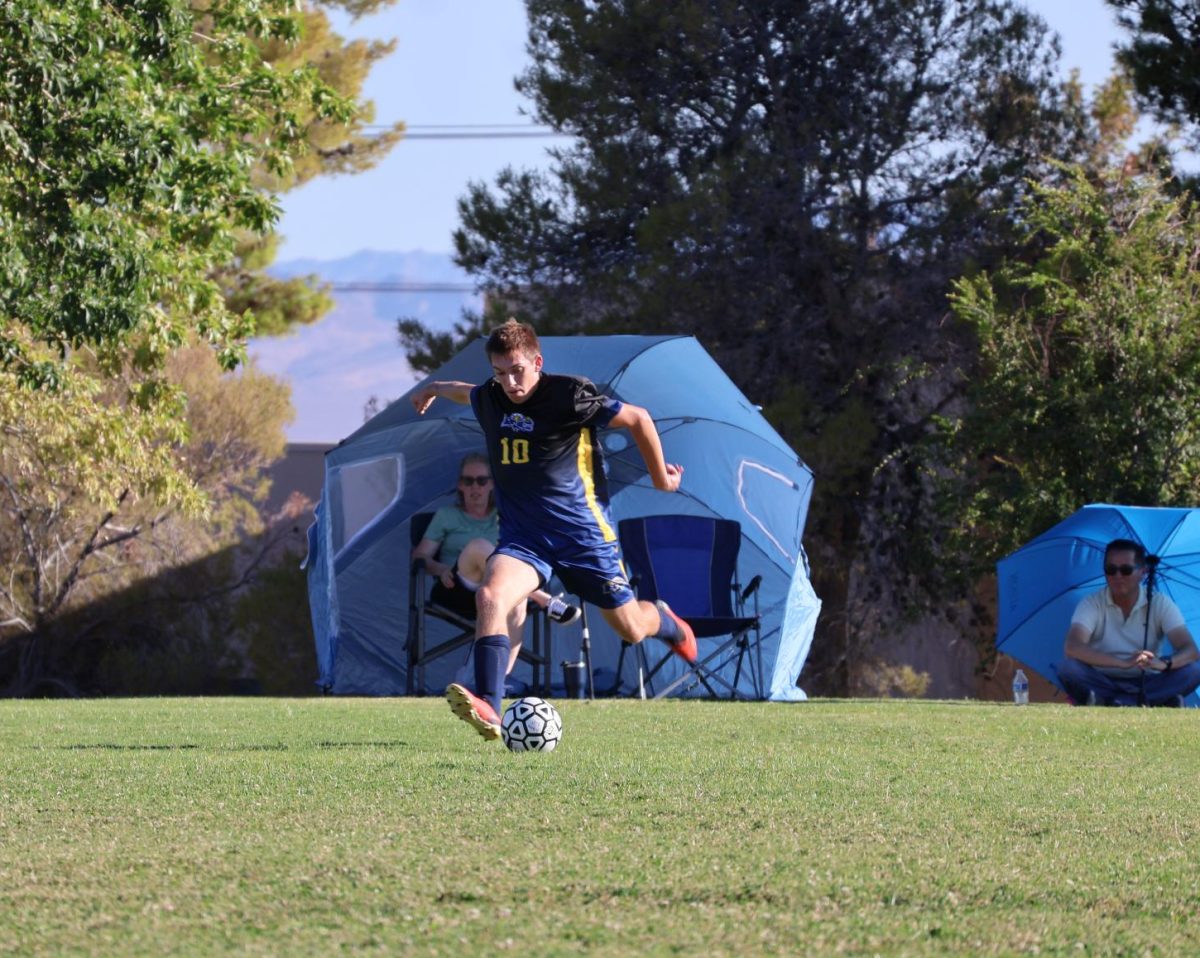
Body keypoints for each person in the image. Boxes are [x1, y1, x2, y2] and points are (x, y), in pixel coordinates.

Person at [410, 319, 697, 739]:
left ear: (537, 362)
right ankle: (490, 704)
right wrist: (434, 389)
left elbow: (639, 418)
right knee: (491, 595)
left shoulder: (568, 395)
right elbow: (466, 391)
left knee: (632, 628)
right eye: (499, 373)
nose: (509, 382)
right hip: (525, 538)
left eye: (517, 370)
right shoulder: (490, 397)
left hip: (584, 535)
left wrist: (661, 480)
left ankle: (667, 621)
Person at [411, 452, 582, 635]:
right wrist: (441, 569)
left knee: (516, 590)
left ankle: (502, 664)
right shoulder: (447, 515)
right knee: (478, 546)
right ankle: (545, 601)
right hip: (457, 588)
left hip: (499, 587)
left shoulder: (505, 516)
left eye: (482, 481)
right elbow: (419, 557)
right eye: (468, 481)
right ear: (461, 485)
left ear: (492, 483)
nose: (475, 487)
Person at [1060, 538, 1200, 706]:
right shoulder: (1092, 603)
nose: (1117, 576)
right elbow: (1073, 647)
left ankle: (1111, 702)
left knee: (1193, 670)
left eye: (1126, 570)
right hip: (1103, 679)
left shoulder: (1160, 603)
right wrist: (1121, 663)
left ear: (1143, 572)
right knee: (1068, 668)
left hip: (1147, 680)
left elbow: (1190, 650)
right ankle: (1152, 702)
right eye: (1111, 569)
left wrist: (1162, 664)